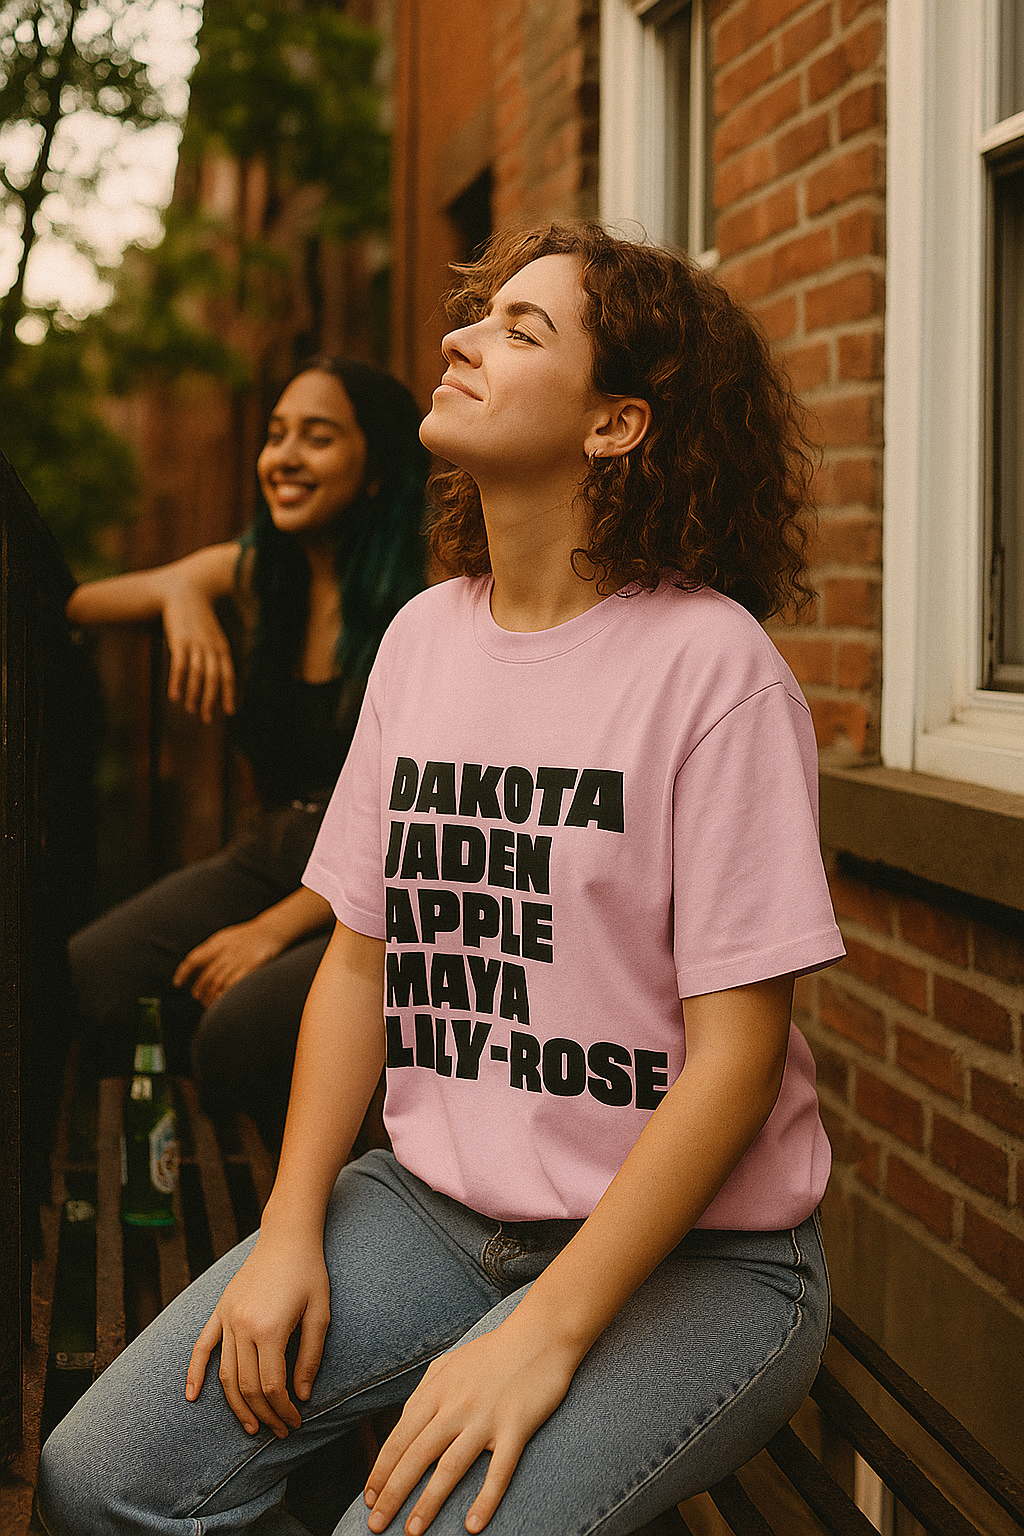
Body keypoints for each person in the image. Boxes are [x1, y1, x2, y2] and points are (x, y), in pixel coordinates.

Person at [38, 223, 845, 1536]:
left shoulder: (715, 669)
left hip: (702, 1263)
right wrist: (293, 1226)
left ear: (616, 425)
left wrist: (545, 1336)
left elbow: (738, 1061)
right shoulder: (425, 638)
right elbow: (358, 961)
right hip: (431, 1210)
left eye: (523, 331)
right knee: (98, 1475)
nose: (460, 339)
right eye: (479, 317)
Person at [65, 357, 427, 1151]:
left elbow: (411, 819)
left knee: (240, 1034)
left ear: (376, 471)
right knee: (93, 976)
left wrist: (271, 929)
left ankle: (338, 1184)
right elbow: (82, 602)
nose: (285, 457)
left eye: (319, 437)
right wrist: (179, 594)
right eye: (276, 436)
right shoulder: (269, 571)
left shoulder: (430, 601)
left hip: (383, 884)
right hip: (271, 854)